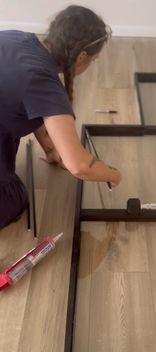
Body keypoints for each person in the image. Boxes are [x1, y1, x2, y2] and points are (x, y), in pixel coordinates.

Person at [0, 5, 122, 230]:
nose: (91, 65)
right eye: (93, 60)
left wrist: (50, 149)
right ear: (81, 57)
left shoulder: (18, 37)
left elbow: (30, 103)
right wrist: (113, 174)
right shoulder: (45, 85)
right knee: (13, 198)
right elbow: (79, 166)